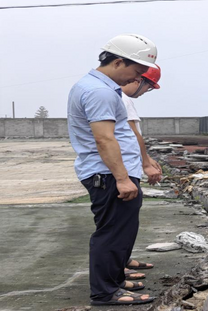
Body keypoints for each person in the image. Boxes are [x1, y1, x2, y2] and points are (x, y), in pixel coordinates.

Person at [67, 34, 158, 306]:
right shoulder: (100, 91)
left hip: (107, 172)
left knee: (119, 231)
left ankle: (115, 281)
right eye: (136, 71)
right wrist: (122, 178)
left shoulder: (96, 86)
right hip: (107, 175)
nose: (135, 78)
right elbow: (104, 138)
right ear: (119, 62)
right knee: (112, 233)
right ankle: (106, 292)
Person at [121, 65, 163, 186]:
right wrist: (146, 164)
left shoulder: (114, 96)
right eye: (148, 87)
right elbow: (133, 135)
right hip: (125, 169)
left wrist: (146, 157)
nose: (145, 91)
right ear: (139, 80)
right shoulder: (123, 100)